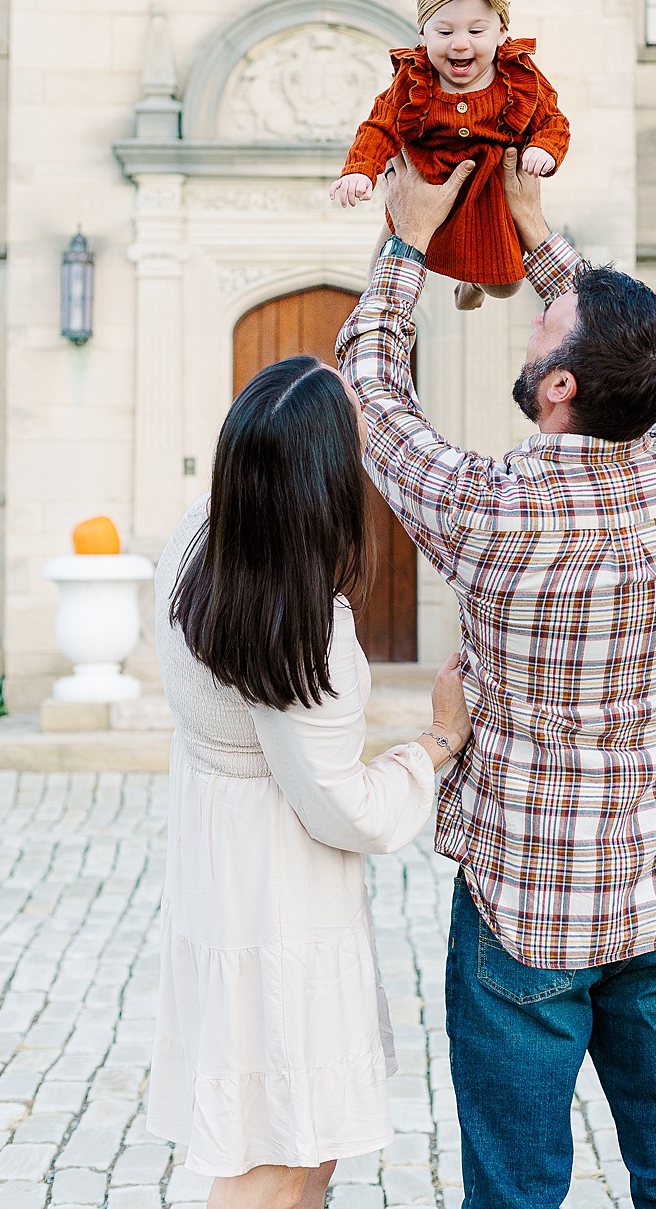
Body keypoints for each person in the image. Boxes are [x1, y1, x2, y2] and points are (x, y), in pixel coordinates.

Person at [337, 149, 656, 1209]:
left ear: (559, 386)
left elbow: (371, 395)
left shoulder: (488, 511)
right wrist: (535, 225)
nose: (528, 324)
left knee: (514, 1189)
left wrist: (405, 243)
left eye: (541, 332)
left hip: (525, 906)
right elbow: (629, 362)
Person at [146, 354, 472, 1209]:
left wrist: (396, 234)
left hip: (219, 862)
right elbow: (343, 807)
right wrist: (437, 741)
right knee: (284, 1154)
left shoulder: (195, 539)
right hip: (276, 894)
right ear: (323, 481)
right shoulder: (300, 627)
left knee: (307, 1142)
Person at [329, 0, 570, 311]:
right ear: (423, 33)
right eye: (444, 32)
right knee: (378, 270)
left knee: (507, 285)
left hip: (487, 195)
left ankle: (471, 282)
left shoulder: (518, 76)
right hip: (423, 185)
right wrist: (360, 170)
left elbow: (553, 120)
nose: (459, 43)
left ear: (502, 32)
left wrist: (544, 150)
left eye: (476, 32)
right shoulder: (414, 78)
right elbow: (379, 125)